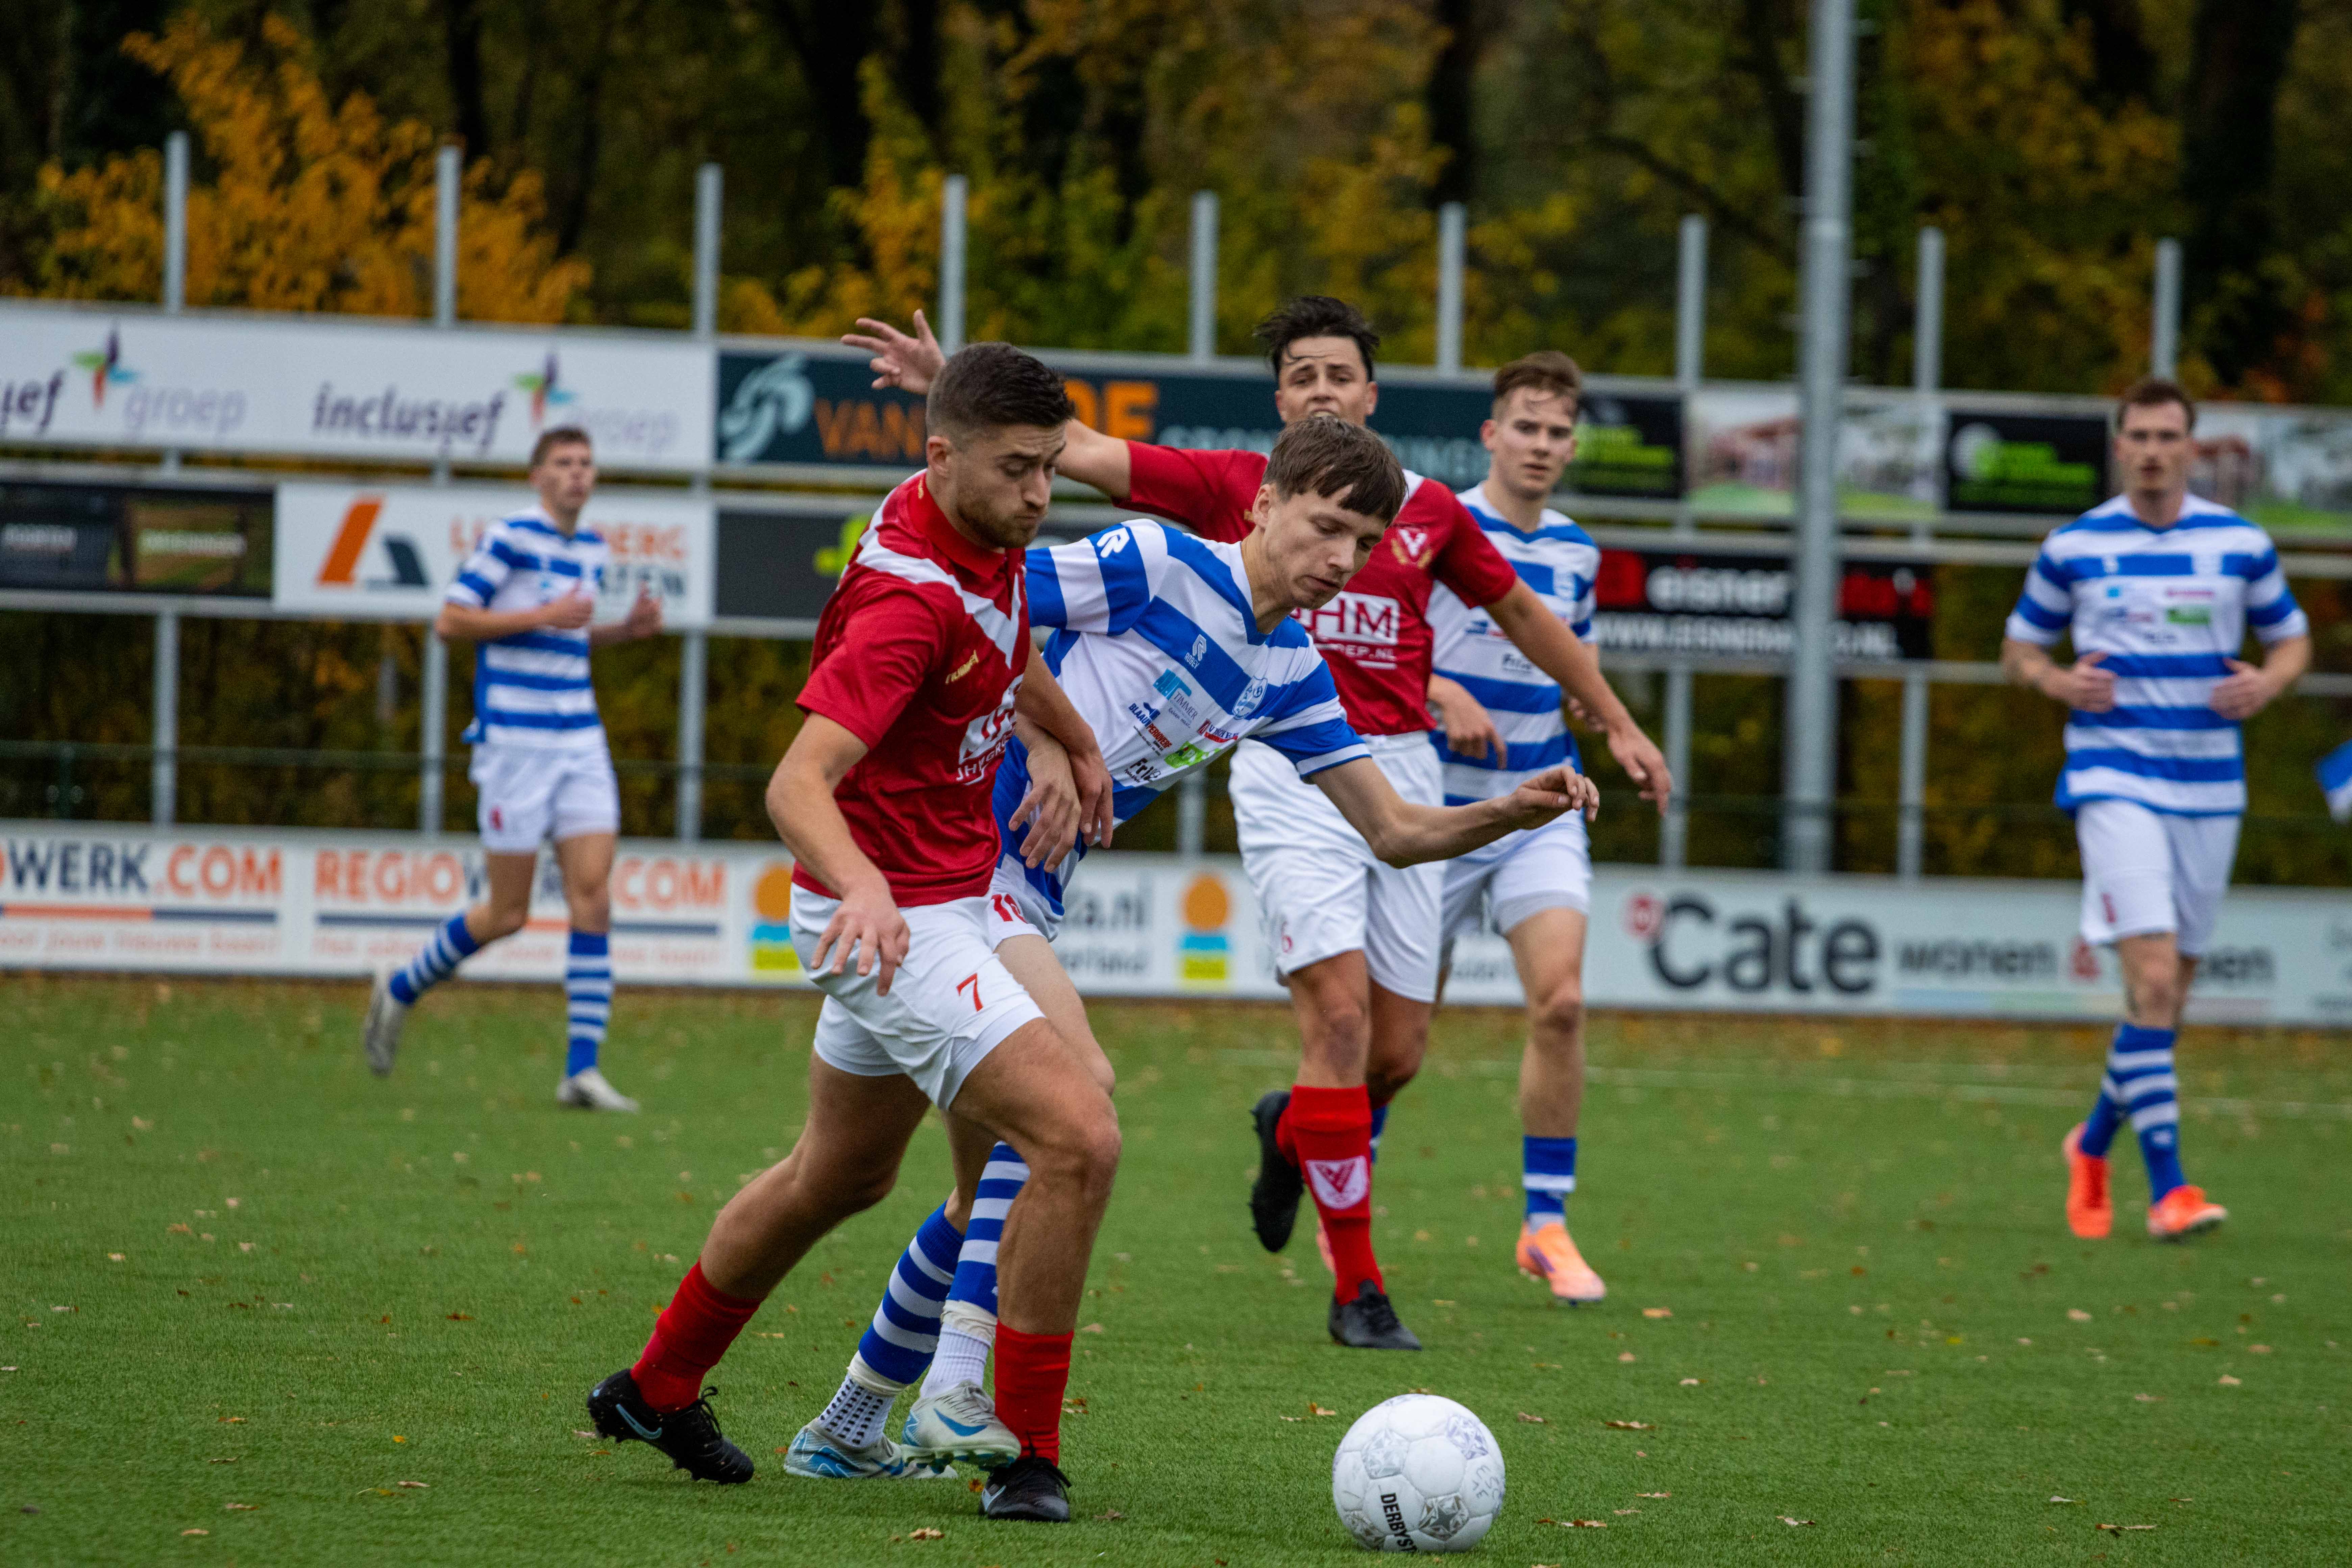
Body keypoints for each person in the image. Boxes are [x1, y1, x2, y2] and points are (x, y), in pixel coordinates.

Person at [789, 419, 1603, 1486]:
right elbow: (986, 609)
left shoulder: (1289, 666)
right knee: (1070, 1109)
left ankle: (846, 1420)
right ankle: (954, 1392)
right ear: (1263, 504)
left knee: (948, 1175)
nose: (1339, 563)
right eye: (1323, 529)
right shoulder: (1158, 560)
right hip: (948, 868)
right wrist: (1048, 735)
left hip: (1021, 893)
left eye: (1361, 545)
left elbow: (1396, 832)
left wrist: (1510, 811)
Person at [844, 298, 1669, 1350]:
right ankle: (978, 1392)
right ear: (1276, 440)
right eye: (1302, 375)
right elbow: (1041, 492)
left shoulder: (1403, 540)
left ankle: (842, 1402)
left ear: (1375, 396)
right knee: (1100, 1105)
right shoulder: (1212, 506)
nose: (1323, 390)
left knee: (861, 1177)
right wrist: (1056, 735)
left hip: (1338, 777)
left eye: (1341, 375)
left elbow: (1503, 642)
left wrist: (1550, 771)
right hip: (1017, 846)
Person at [582, 343, 1124, 1525]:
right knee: (1078, 1128)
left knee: (840, 1175)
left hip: (953, 896)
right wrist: (866, 891)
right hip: (888, 915)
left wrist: (1069, 736)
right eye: (1020, 472)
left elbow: (1010, 646)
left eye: (1050, 472)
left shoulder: (974, 526)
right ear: (941, 462)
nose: (1042, 496)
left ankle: (656, 1386)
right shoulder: (905, 604)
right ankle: (1020, 1448)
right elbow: (796, 785)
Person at [2000, 376, 2309, 1243]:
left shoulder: (2239, 544)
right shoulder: (2076, 546)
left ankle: (2091, 1143)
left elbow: (2292, 638)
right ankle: (2170, 1188)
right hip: (2114, 773)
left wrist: (2269, 682)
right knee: (2157, 979)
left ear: (2191, 446)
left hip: (2212, 783)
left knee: (2167, 1003)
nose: (2151, 450)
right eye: (2137, 434)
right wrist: (2058, 679)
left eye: (2167, 435)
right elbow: (2019, 645)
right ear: (2118, 444)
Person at [1423, 350, 1649, 1304]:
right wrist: (1439, 691)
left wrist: (1614, 723)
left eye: (1560, 431)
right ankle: (1342, 1212)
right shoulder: (1434, 524)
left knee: (1560, 1002)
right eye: (1528, 426)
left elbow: (1578, 665)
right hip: (1430, 805)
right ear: (1492, 434)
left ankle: (1545, 1222)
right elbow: (1375, 647)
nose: (1544, 445)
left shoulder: (1577, 553)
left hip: (1540, 799)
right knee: (1396, 1038)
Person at [361, 426, 664, 1110]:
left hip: (580, 738)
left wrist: (621, 631)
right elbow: (450, 620)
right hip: (515, 747)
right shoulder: (509, 538)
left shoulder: (590, 545)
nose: (577, 474)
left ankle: (580, 1071)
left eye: (586, 463)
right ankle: (401, 986)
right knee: (508, 913)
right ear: (537, 476)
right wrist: (546, 612)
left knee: (595, 896)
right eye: (563, 463)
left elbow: (567, 636)